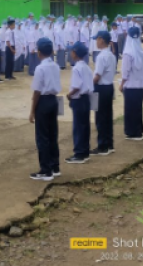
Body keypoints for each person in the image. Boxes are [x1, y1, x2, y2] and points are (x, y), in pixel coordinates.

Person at [29, 38, 61, 181]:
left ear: (39, 52)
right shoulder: (55, 65)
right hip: (54, 100)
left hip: (43, 101)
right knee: (52, 134)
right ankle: (55, 167)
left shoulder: (40, 68)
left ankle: (45, 170)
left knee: (42, 136)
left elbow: (36, 91)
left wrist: (32, 111)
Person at [66, 41, 94, 163]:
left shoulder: (76, 68)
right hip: (87, 98)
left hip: (78, 99)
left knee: (78, 127)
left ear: (75, 53)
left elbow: (76, 86)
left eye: (72, 51)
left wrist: (69, 94)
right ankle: (85, 151)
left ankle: (79, 154)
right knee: (85, 125)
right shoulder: (86, 67)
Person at [119, 27, 143, 140]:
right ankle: (138, 130)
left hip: (131, 85)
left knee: (130, 109)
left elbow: (125, 72)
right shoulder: (140, 51)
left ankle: (133, 132)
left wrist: (121, 84)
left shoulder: (127, 53)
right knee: (137, 108)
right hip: (140, 85)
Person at [91, 31, 116, 155]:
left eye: (97, 39)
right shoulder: (111, 55)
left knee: (100, 118)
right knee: (107, 116)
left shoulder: (101, 56)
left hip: (101, 88)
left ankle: (102, 146)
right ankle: (109, 143)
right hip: (109, 87)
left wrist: (89, 86)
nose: (96, 42)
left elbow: (97, 76)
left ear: (101, 40)